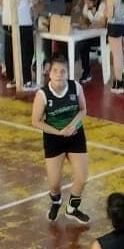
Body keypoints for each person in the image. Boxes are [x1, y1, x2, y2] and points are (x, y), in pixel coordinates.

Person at [31, 56, 91, 223]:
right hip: (53, 139)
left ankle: (72, 209)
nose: (59, 74)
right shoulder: (43, 94)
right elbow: (35, 121)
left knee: (82, 178)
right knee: (54, 184)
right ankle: (56, 201)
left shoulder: (75, 87)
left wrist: (73, 125)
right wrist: (58, 132)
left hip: (75, 136)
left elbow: (83, 109)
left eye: (63, 71)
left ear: (67, 73)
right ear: (49, 73)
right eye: (55, 71)